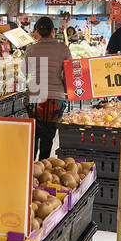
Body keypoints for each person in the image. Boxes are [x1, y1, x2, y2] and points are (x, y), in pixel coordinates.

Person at [24, 16, 71, 160]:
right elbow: (69, 74)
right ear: (53, 30)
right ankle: (43, 165)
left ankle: (31, 167)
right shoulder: (63, 49)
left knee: (35, 133)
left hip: (34, 98)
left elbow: (25, 71)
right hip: (55, 99)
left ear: (37, 31)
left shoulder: (30, 49)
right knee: (48, 135)